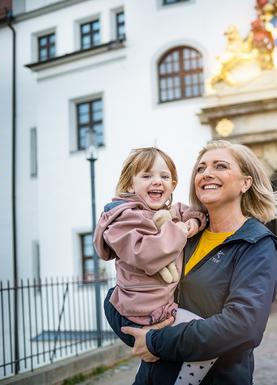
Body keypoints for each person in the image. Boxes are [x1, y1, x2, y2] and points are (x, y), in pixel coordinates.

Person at [115, 140, 277, 385]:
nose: (207, 174)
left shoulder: (257, 245)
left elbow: (242, 326)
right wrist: (118, 314)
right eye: (200, 168)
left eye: (220, 166)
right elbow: (133, 287)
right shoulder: (183, 233)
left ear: (245, 183)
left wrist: (156, 342)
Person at [94, 147, 211, 382]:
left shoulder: (168, 211)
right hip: (138, 314)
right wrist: (178, 230)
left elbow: (196, 213)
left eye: (164, 176)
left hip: (158, 308)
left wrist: (191, 223)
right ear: (129, 185)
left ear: (173, 184)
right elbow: (146, 253)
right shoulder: (123, 219)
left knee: (177, 354)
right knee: (206, 341)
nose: (157, 181)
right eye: (146, 176)